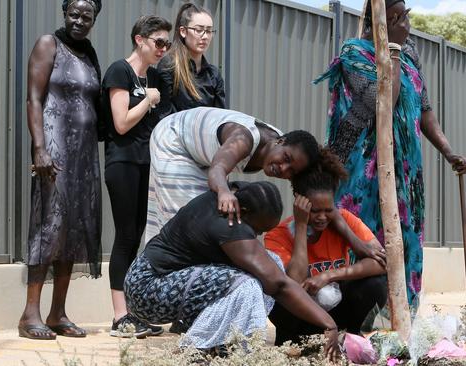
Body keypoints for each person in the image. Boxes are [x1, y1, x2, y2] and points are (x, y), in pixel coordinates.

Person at [314, 0, 466, 314]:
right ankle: (356, 310)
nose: (405, 22)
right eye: (397, 16)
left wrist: (448, 151)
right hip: (361, 165)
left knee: (403, 233)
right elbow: (382, 98)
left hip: (404, 167)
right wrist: (393, 50)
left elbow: (424, 111)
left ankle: (399, 311)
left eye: (405, 14)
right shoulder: (353, 53)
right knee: (363, 231)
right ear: (384, 21)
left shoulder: (411, 57)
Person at [125, 181, 340, 361]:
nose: (256, 235)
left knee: (269, 262)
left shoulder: (235, 196)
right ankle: (195, 349)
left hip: (171, 279)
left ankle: (221, 345)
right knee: (248, 283)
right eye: (257, 230)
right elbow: (279, 284)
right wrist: (328, 323)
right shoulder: (227, 224)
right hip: (147, 290)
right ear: (244, 213)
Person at [19, 0, 103, 340]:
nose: (80, 21)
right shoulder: (47, 44)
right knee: (49, 226)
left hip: (83, 153)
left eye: (87, 16)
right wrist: (39, 147)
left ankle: (58, 313)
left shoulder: (89, 54)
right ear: (64, 13)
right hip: (53, 150)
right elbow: (34, 98)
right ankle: (29, 314)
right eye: (74, 14)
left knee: (72, 228)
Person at [144, 106, 327, 241]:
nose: (283, 169)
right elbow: (218, 170)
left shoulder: (284, 147)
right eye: (286, 158)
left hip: (203, 155)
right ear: (280, 141)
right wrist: (224, 191)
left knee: (204, 218)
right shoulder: (244, 139)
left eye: (291, 171)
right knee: (185, 221)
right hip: (174, 139)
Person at [100, 15, 173, 338]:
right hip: (123, 162)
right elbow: (121, 123)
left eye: (167, 44)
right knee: (125, 236)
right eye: (159, 42)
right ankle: (119, 317)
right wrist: (148, 99)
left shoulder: (155, 76)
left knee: (140, 235)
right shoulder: (120, 71)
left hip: (147, 164)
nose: (163, 49)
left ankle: (133, 313)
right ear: (139, 40)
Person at [265, 155, 388, 345]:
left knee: (375, 284)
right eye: (314, 211)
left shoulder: (343, 219)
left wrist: (328, 275)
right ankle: (294, 342)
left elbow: (381, 263)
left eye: (328, 209)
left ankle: (353, 337)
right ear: (300, 204)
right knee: (279, 294)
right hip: (302, 317)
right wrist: (300, 226)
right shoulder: (277, 235)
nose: (322, 217)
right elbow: (294, 281)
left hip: (337, 313)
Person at [157, 2, 225, 112]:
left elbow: (219, 118)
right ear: (183, 31)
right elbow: (164, 115)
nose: (205, 36)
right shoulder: (169, 66)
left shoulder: (214, 75)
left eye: (209, 31)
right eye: (199, 30)